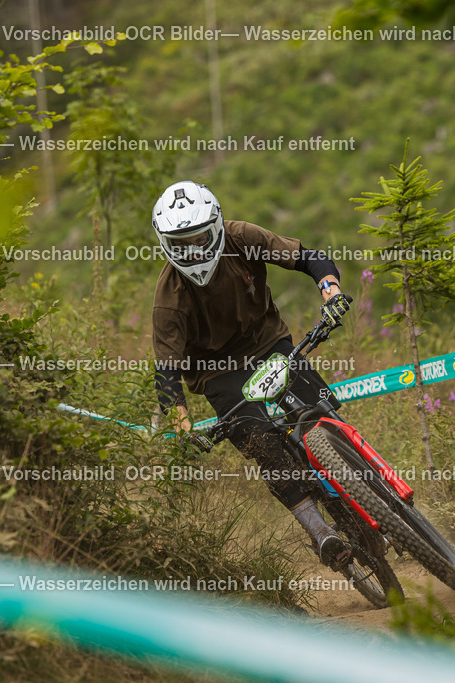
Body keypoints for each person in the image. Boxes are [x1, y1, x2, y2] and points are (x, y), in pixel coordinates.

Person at [151, 180, 353, 569]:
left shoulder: (242, 238)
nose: (193, 252)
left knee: (322, 413)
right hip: (216, 371)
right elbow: (166, 372)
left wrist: (330, 292)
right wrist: (181, 427)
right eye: (181, 245)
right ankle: (320, 531)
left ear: (217, 226)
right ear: (165, 244)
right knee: (263, 445)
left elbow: (309, 258)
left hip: (268, 340)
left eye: (199, 239)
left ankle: (366, 481)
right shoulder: (169, 297)